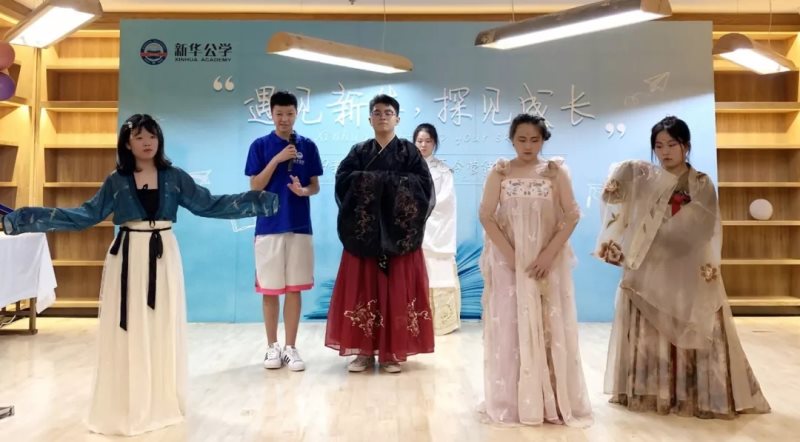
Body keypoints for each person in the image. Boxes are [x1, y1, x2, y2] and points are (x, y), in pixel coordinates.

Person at [1, 114, 279, 436]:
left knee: (160, 325)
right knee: (130, 326)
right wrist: (26, 218)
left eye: (152, 136)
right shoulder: (116, 181)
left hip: (163, 256)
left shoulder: (174, 177)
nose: (147, 143)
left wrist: (260, 202)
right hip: (129, 256)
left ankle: (160, 399)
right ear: (127, 144)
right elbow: (84, 216)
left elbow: (209, 205)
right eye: (139, 137)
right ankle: (129, 401)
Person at [595, 115, 770, 419]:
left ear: (686, 146)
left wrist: (659, 235)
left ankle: (698, 396)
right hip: (650, 269)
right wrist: (623, 170)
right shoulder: (646, 179)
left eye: (672, 144)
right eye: (659, 145)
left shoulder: (701, 183)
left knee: (700, 324)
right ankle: (651, 393)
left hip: (688, 269)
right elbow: (615, 195)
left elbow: (702, 226)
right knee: (650, 332)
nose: (665, 152)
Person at [478, 114, 592, 427]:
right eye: (522, 139)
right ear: (512, 140)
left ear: (543, 140)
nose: (528, 146)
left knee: (548, 325)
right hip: (507, 261)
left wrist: (548, 254)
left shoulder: (555, 172)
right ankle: (515, 401)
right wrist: (511, 256)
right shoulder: (500, 172)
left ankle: (549, 398)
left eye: (535, 140)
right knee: (511, 325)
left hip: (547, 261)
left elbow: (572, 214)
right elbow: (486, 215)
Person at [324, 94, 435, 374]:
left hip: (398, 236)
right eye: (377, 112)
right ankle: (363, 352)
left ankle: (390, 353)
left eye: (388, 112)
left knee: (395, 292)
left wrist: (382, 183)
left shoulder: (409, 152)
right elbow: (343, 183)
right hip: (365, 237)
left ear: (397, 118)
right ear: (369, 119)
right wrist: (379, 181)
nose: (382, 116)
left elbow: (423, 187)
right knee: (364, 289)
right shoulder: (359, 151)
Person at [245, 91, 323, 371]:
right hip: (268, 226)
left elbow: (315, 186)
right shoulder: (260, 146)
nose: (284, 119)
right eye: (279, 114)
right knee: (270, 289)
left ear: (296, 114)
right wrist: (277, 159)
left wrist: (304, 191)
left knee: (294, 289)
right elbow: (255, 185)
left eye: (289, 114)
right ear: (271, 114)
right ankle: (272, 347)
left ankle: (290, 347)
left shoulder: (308, 146)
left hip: (299, 226)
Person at [413, 123, 461, 335]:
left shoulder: (443, 171)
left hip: (436, 230)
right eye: (419, 141)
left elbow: (446, 202)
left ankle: (441, 323)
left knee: (438, 271)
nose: (423, 145)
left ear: (435, 143)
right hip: (413, 230)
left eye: (428, 141)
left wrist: (421, 209)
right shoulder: (406, 169)